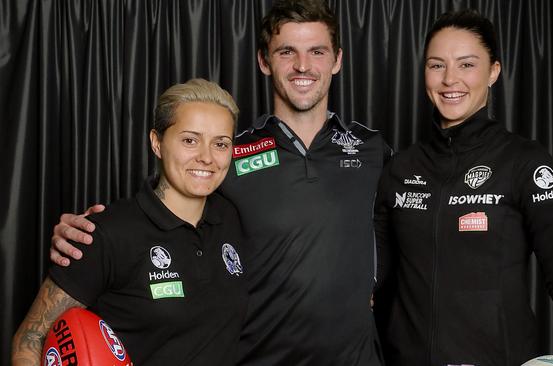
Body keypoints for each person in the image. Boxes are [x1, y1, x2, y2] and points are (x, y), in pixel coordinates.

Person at [48, 1, 391, 365]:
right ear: (263, 60)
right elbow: (162, 209)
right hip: (258, 357)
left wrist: (371, 281)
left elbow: (402, 228)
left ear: (337, 60)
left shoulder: (372, 149)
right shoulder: (230, 154)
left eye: (317, 52)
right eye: (287, 51)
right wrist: (90, 235)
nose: (303, 66)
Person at [373, 9, 553, 366]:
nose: (449, 79)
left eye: (467, 65)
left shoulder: (524, 162)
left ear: (494, 72)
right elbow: (370, 278)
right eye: (436, 65)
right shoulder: (399, 169)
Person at [12, 79, 248, 365]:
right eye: (190, 140)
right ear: (157, 143)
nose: (206, 157)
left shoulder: (232, 218)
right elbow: (30, 337)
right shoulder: (104, 234)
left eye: (220, 144)